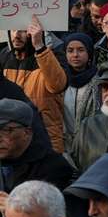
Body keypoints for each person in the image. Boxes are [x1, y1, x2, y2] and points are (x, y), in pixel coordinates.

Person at [1, 16, 68, 153]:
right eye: (13, 29)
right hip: (11, 143)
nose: (16, 35)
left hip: (47, 142)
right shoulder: (4, 57)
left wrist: (39, 47)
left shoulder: (51, 56)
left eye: (23, 30)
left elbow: (58, 85)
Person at [0, 99, 75, 196]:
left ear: (27, 132)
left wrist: (11, 206)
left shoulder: (53, 167)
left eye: (6, 130)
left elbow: (48, 208)